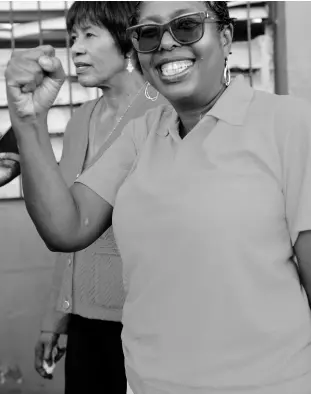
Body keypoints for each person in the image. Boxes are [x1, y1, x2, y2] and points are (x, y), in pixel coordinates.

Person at [5, 1, 311, 393]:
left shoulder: (287, 124)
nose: (165, 43)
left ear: (227, 37)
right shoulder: (140, 135)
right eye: (148, 33)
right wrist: (28, 120)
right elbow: (66, 228)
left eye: (186, 26)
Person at [25, 2, 165, 393]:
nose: (76, 49)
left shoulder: (165, 112)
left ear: (126, 43)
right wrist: (55, 316)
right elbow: (68, 224)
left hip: (149, 322)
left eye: (89, 35)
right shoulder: (79, 120)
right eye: (72, 38)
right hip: (85, 324)